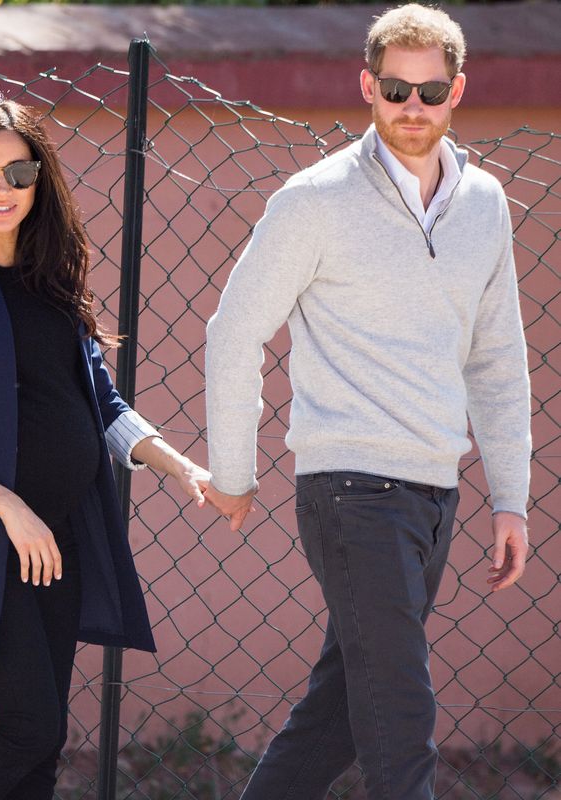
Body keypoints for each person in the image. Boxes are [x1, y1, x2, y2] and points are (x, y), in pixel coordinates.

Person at [204, 4, 531, 798]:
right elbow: (233, 332)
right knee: (399, 717)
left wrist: (511, 501)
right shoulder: (313, 200)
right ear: (366, 87)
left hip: (434, 495)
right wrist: (234, 474)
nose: (411, 108)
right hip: (349, 491)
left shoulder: (485, 204)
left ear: (457, 91)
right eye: (394, 89)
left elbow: (496, 360)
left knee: (340, 715)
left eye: (429, 91)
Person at [0, 97, 209, 800]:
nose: (3, 189)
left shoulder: (51, 275)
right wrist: (9, 509)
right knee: (33, 727)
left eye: (19, 172)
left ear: (40, 180)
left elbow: (100, 403)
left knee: (44, 742)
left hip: (54, 539)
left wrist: (175, 463)